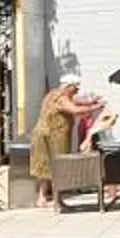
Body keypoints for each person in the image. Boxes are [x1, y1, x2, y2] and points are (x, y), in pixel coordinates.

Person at [29, 73, 100, 208]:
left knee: (45, 167)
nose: (77, 91)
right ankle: (57, 200)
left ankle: (42, 198)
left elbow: (76, 101)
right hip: (53, 135)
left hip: (45, 134)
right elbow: (75, 110)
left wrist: (91, 101)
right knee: (59, 166)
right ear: (68, 87)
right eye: (75, 88)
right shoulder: (61, 99)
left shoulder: (54, 94)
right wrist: (95, 107)